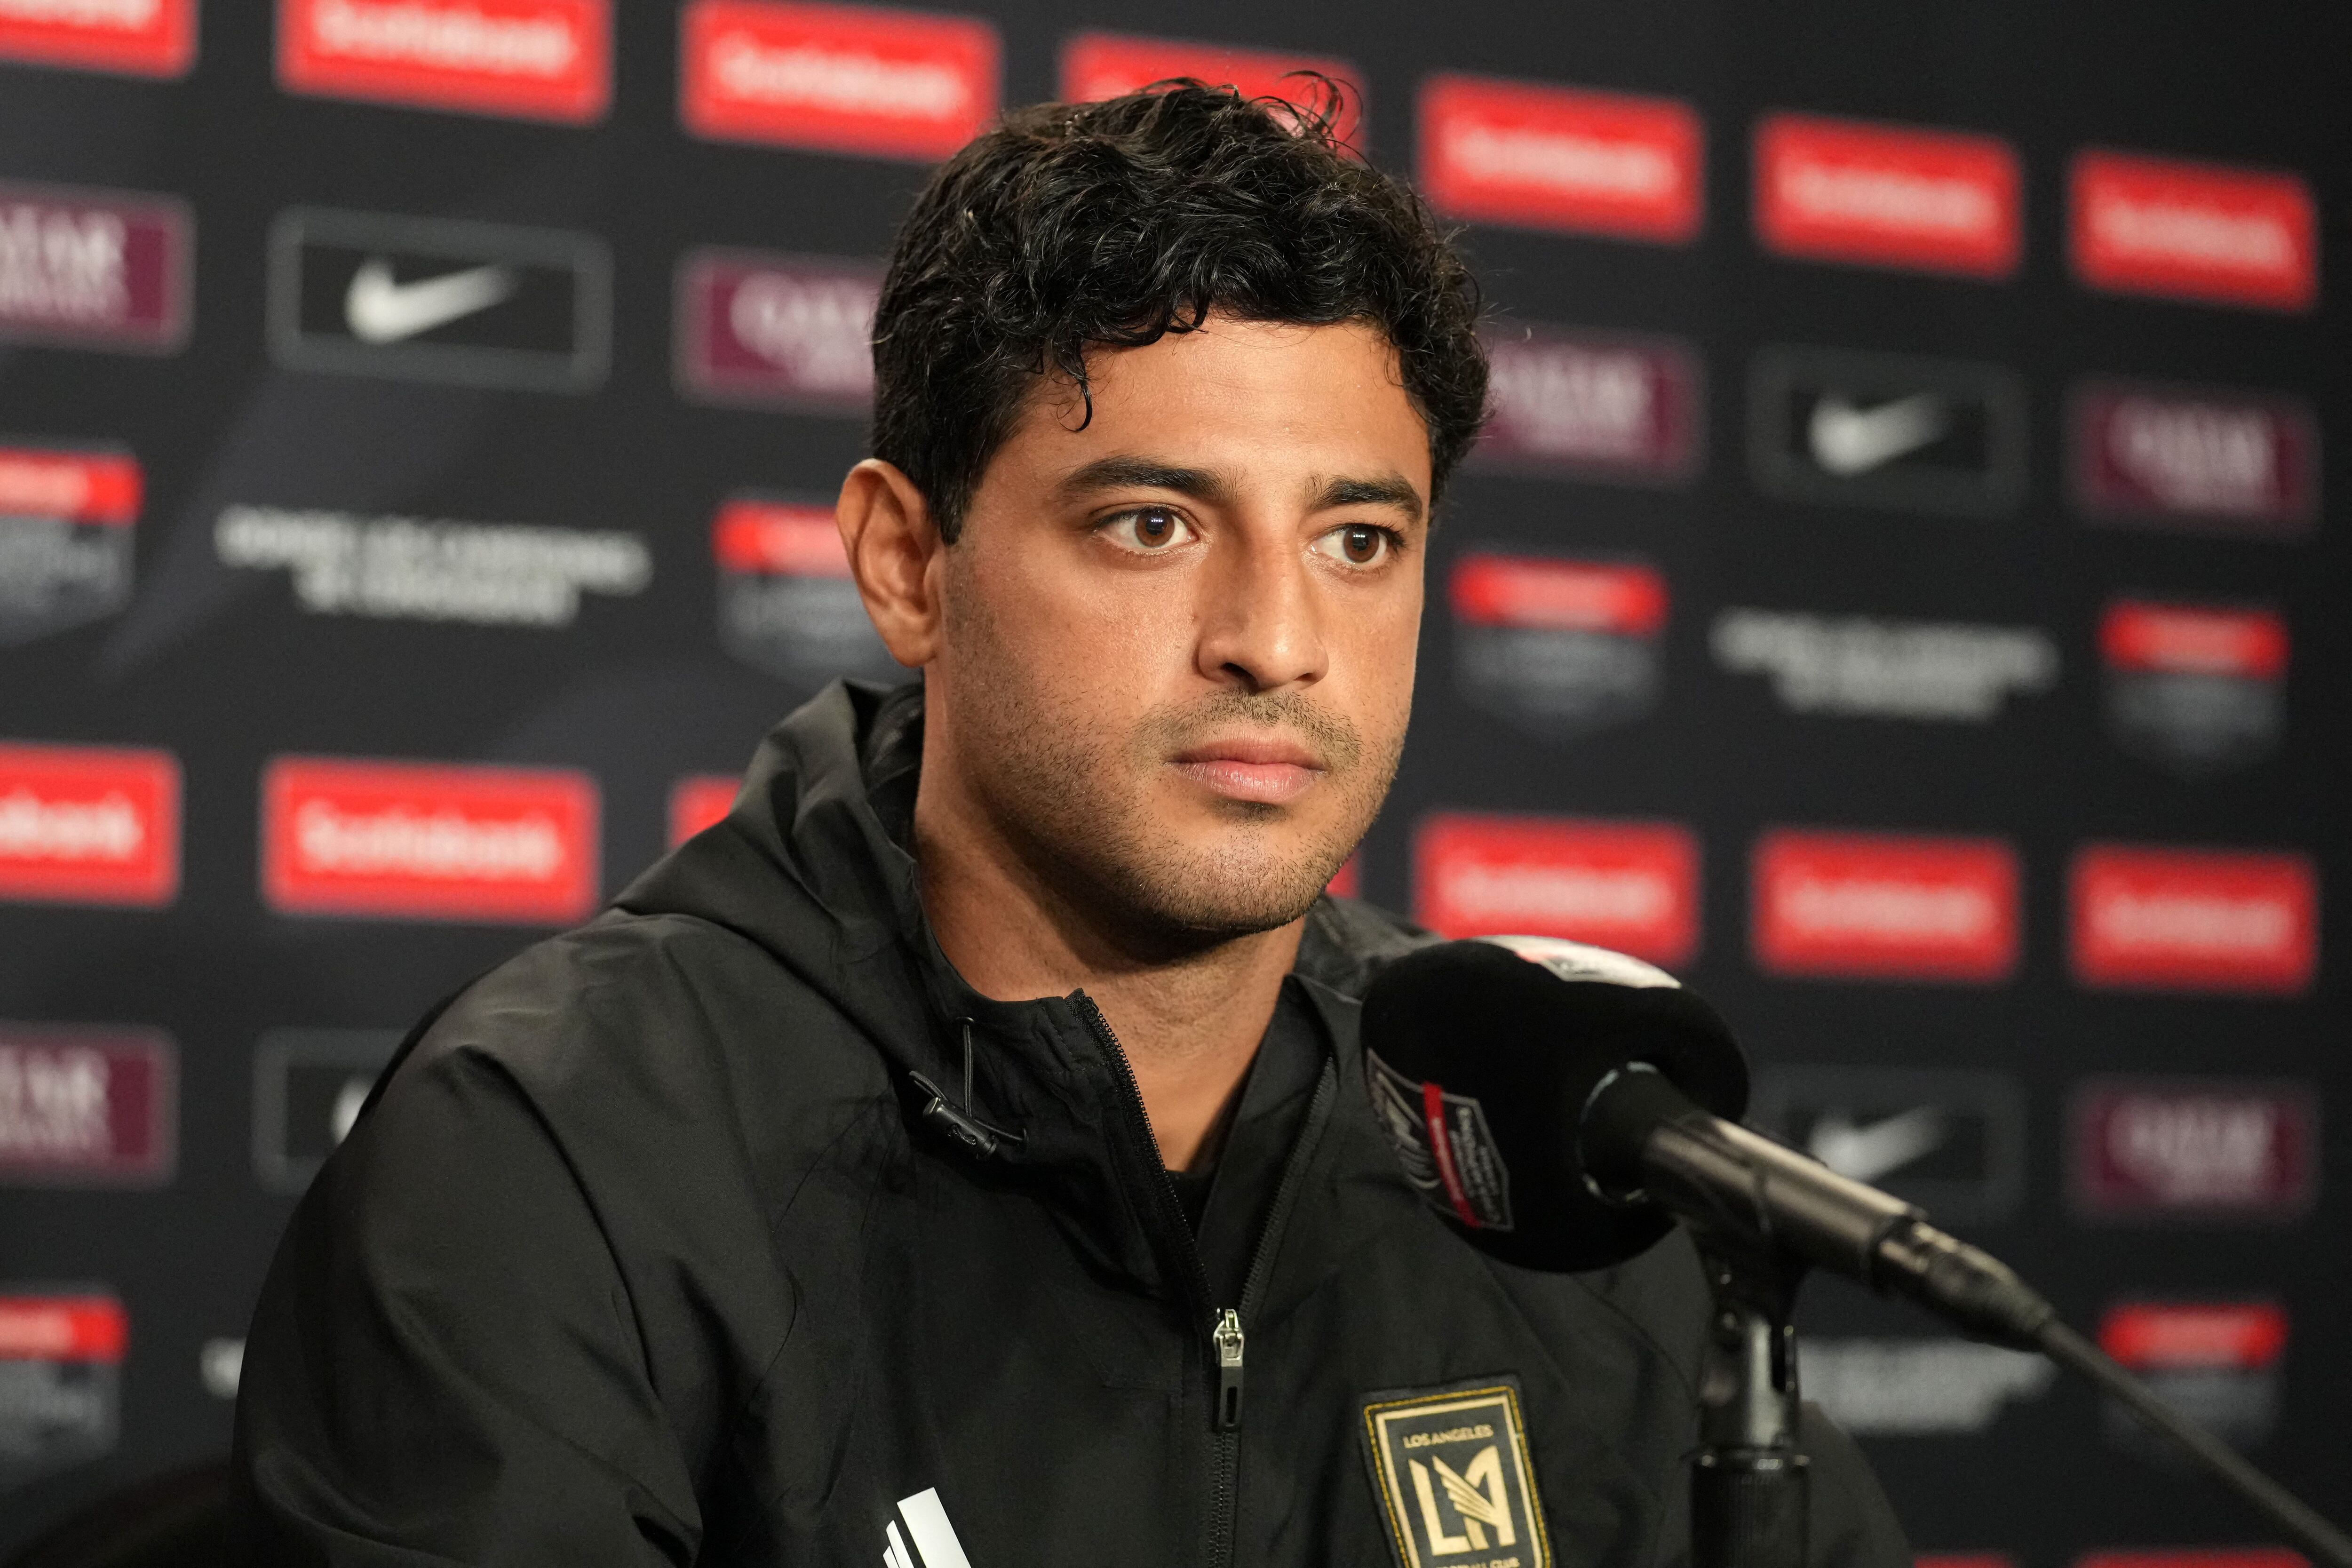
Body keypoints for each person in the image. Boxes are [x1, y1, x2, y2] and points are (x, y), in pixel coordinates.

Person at [234, 83, 1907, 1567]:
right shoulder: (558, 1152)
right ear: (909, 565)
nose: (1276, 640)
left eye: (1357, 542)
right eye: (1154, 523)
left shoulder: (1546, 1160)